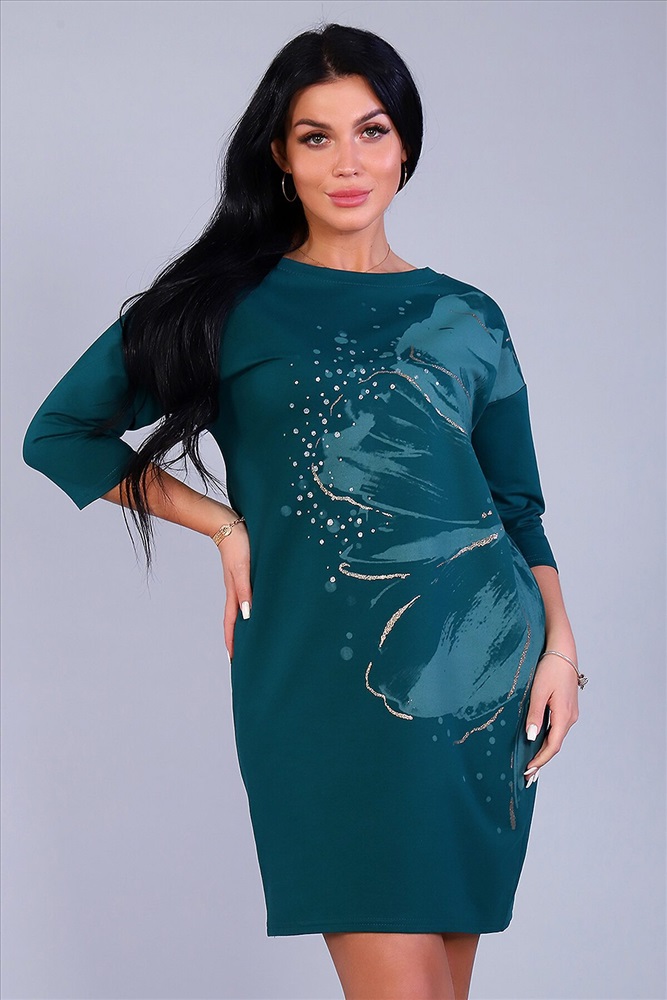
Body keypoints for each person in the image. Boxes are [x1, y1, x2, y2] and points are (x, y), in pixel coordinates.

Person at [22, 22, 585, 1000]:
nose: (347, 162)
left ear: (405, 144)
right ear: (280, 158)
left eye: (370, 131)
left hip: (479, 682)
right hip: (318, 688)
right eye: (314, 137)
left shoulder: (469, 317)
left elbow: (516, 507)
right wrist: (222, 523)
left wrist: (561, 653)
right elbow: (60, 433)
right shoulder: (226, 306)